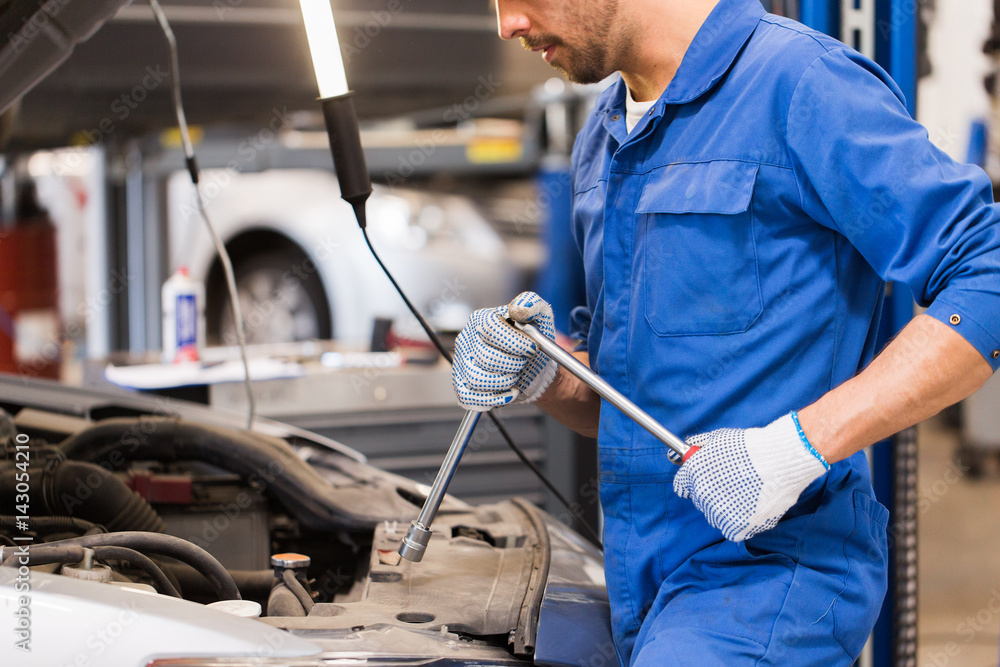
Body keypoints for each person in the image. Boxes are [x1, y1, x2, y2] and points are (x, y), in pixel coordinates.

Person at [451, 0, 1000, 664]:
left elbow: (986, 269)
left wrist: (799, 446)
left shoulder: (803, 86)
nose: (506, 24)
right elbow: (626, 401)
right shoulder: (603, 137)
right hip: (643, 583)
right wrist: (546, 372)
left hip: (772, 579)